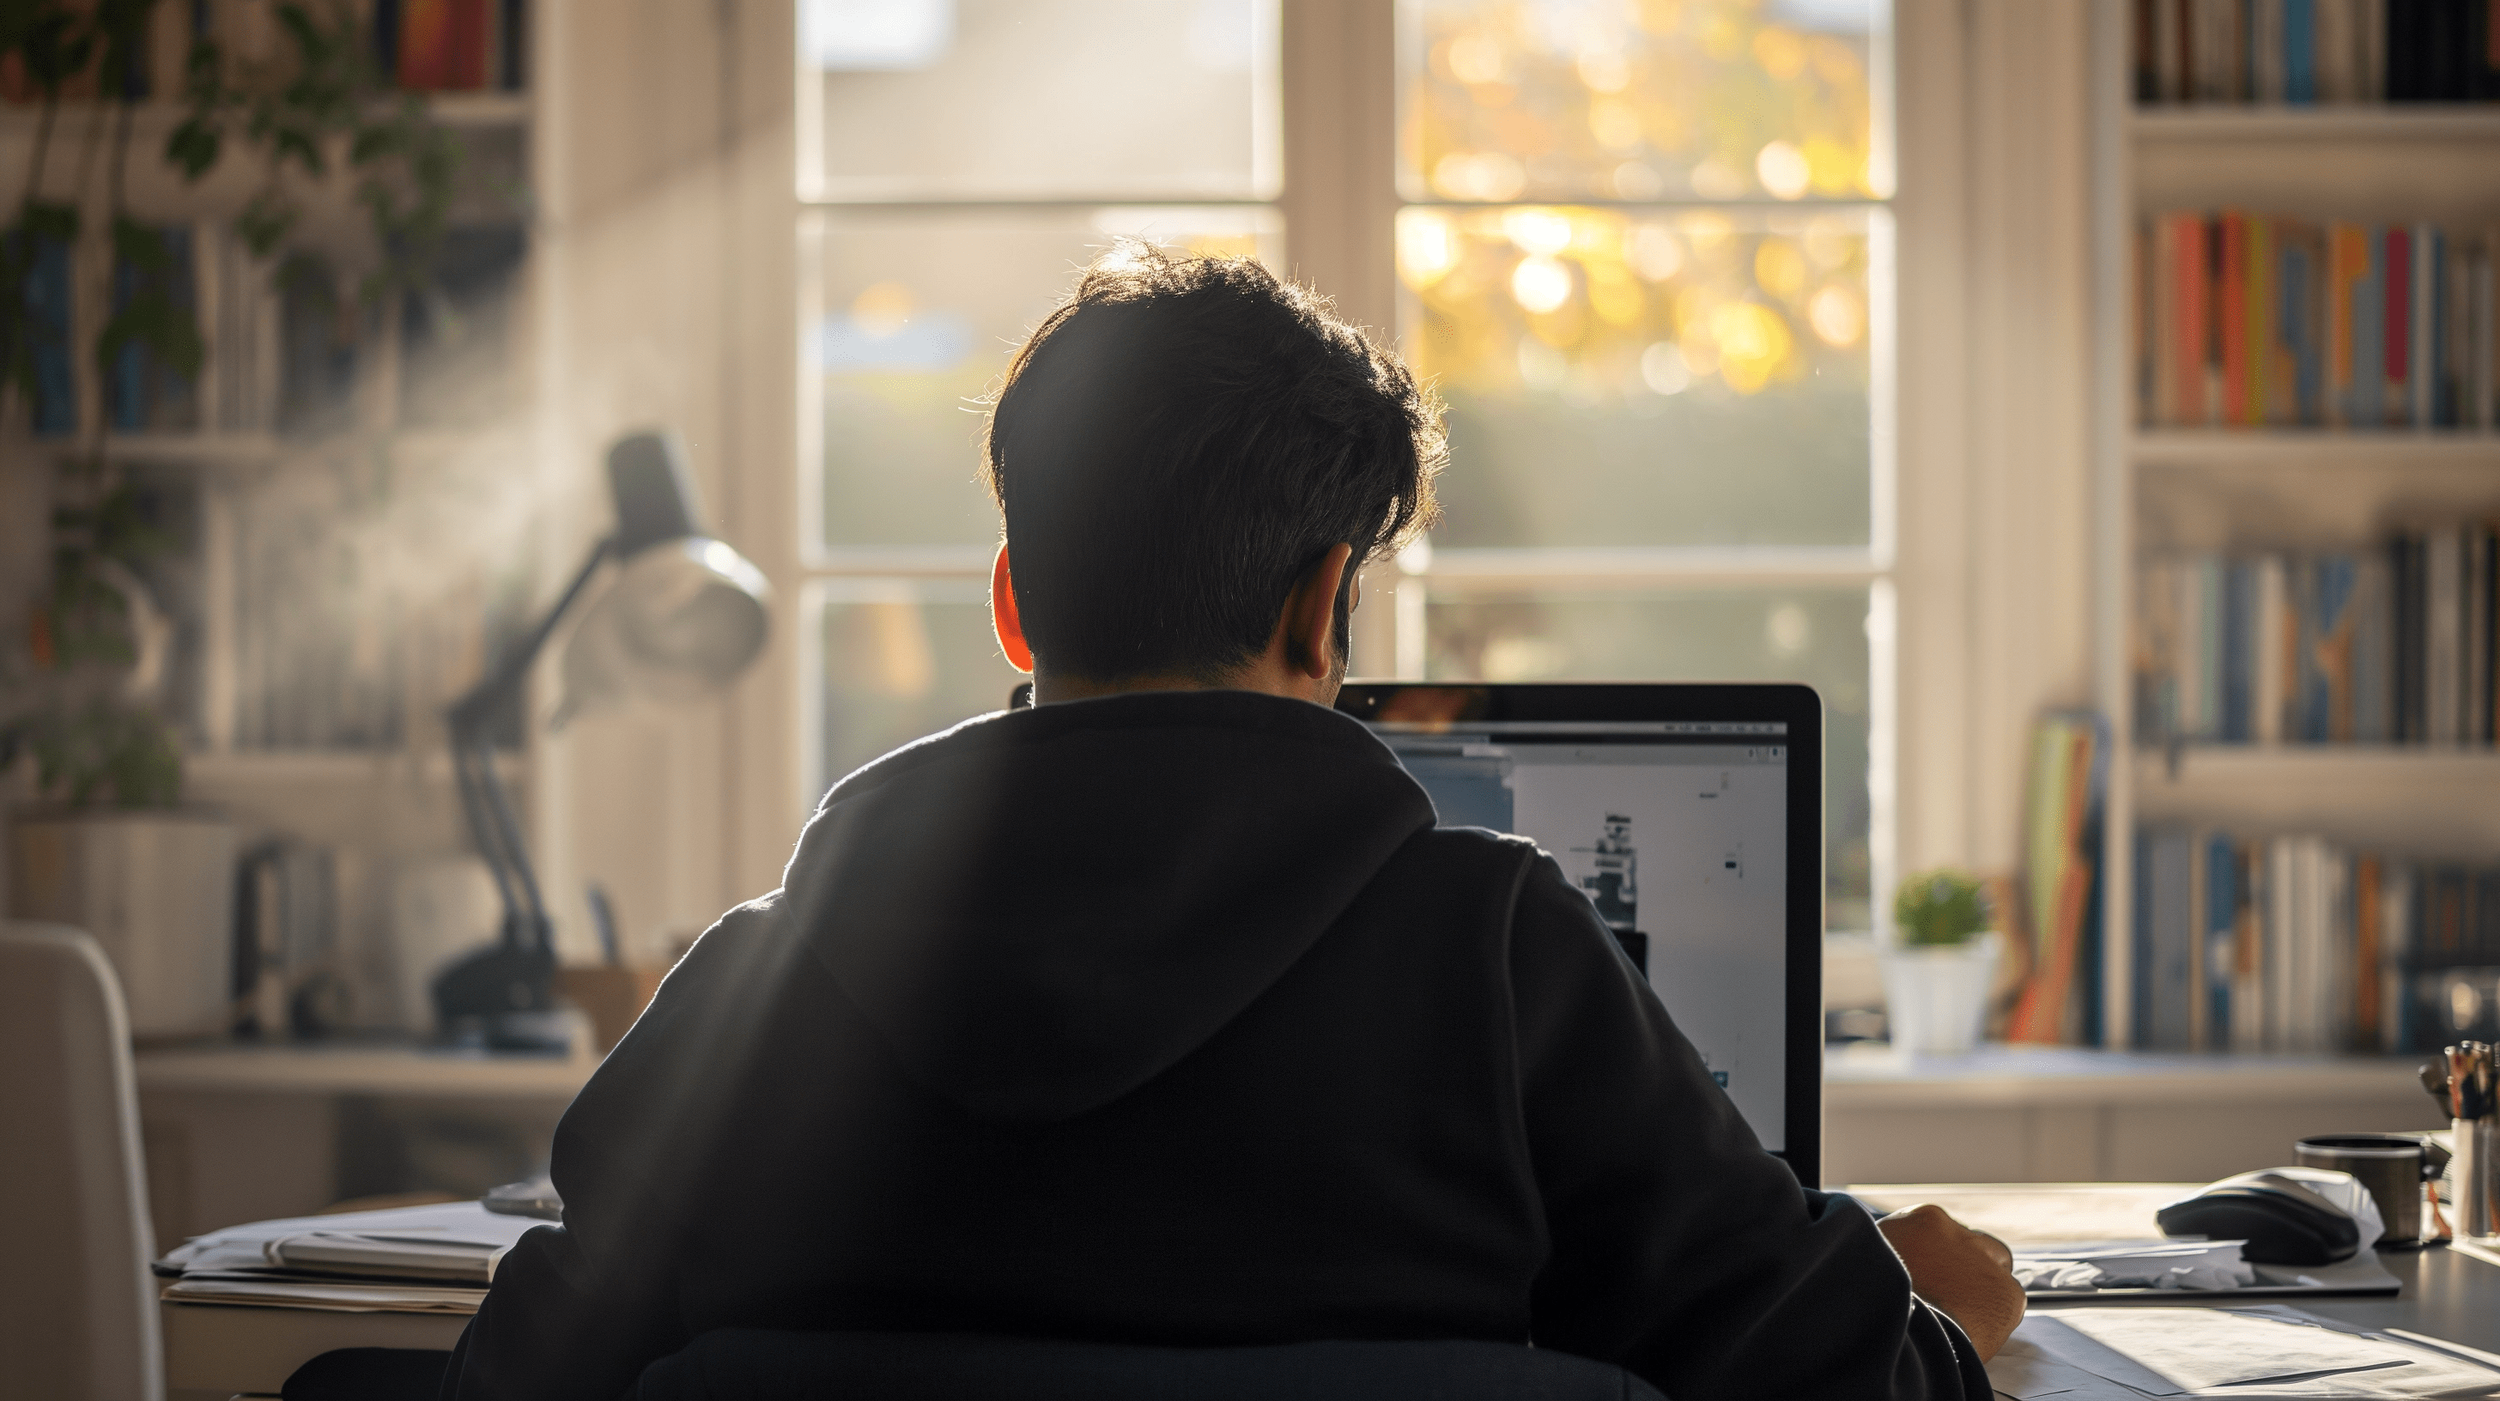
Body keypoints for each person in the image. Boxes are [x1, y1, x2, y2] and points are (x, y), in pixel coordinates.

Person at [439, 246, 2022, 1400]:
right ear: (1326, 607)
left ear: (1011, 607)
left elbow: (520, 1380)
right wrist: (1921, 1316)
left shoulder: (751, 1002)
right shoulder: (1496, 962)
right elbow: (1829, 1388)